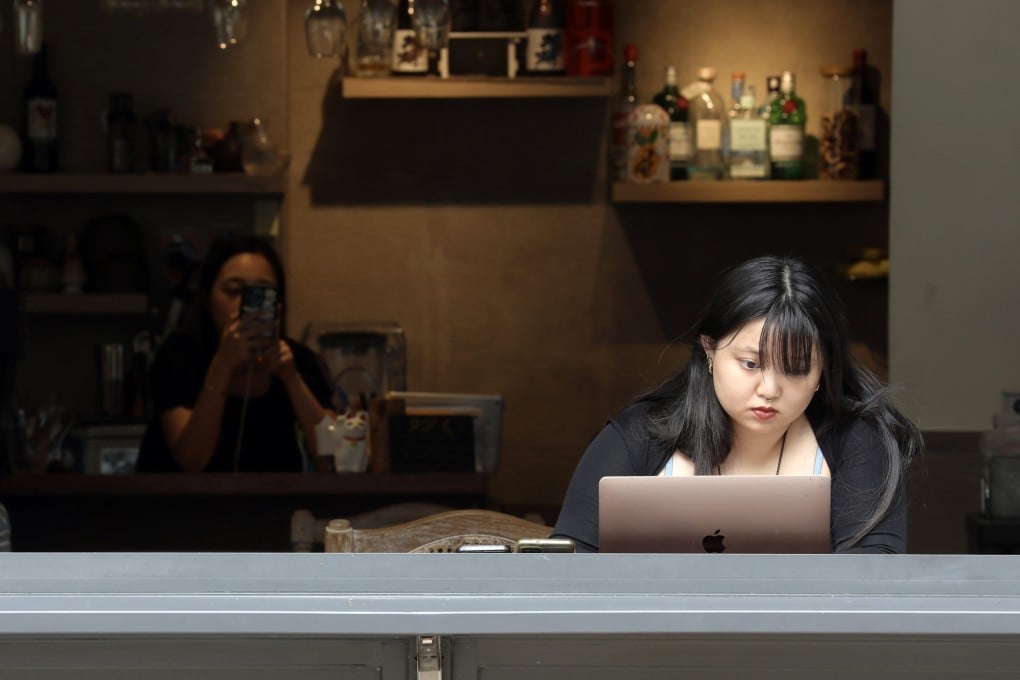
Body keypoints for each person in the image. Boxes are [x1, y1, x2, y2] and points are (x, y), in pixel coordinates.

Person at [553, 255, 922, 553]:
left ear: (823, 369)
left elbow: (873, 582)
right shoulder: (639, 435)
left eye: (796, 369)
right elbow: (564, 567)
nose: (770, 388)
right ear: (710, 350)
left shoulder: (858, 443)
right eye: (751, 363)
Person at [136, 235, 334, 473]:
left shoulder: (296, 358)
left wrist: (292, 380)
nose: (244, 304)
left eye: (262, 293)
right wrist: (222, 366)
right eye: (233, 290)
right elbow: (191, 459)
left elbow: (333, 454)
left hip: (275, 504)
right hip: (184, 505)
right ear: (208, 298)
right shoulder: (180, 354)